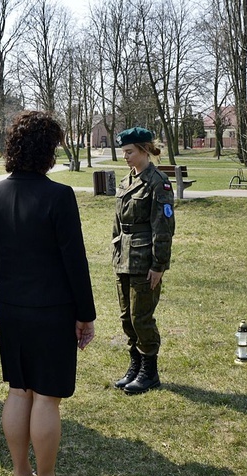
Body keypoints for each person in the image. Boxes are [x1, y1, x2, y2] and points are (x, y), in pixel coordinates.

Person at [0, 111, 96, 476]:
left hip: (11, 306)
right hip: (52, 309)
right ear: (48, 150)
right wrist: (86, 314)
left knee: (19, 391)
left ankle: (20, 473)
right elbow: (74, 261)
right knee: (46, 396)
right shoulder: (59, 196)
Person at [112, 127, 175, 395]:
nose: (125, 156)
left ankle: (149, 372)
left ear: (144, 150)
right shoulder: (127, 181)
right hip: (123, 258)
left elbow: (163, 228)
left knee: (142, 317)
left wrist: (158, 265)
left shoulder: (157, 182)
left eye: (129, 152)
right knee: (127, 317)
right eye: (123, 152)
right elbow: (118, 224)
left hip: (144, 260)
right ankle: (136, 366)